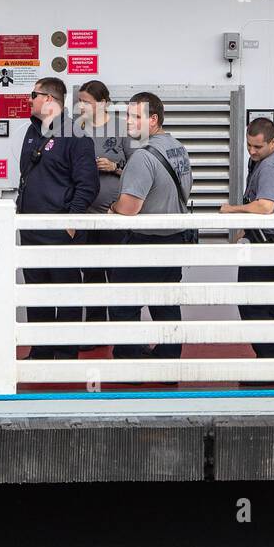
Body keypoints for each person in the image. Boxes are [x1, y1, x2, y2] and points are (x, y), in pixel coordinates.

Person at [108, 91, 194, 361]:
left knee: (124, 304)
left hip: (145, 241)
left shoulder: (142, 157)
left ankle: (128, 364)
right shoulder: (179, 148)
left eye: (135, 117)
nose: (128, 122)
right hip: (175, 239)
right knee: (166, 303)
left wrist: (112, 207)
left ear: (153, 119)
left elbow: (129, 208)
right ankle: (168, 361)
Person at [17, 77, 98, 360]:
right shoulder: (32, 131)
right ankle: (40, 349)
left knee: (65, 294)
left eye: (34, 95)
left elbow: (88, 184)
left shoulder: (76, 136)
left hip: (61, 231)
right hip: (30, 229)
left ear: (49, 99)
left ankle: (65, 352)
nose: (30, 100)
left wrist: (72, 222)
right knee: (36, 294)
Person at [219, 118, 274, 360]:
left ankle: (268, 363)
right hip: (271, 242)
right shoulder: (270, 159)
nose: (252, 151)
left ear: (273, 142)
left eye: (257, 147)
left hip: (266, 246)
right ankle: (271, 362)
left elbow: (265, 206)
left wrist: (232, 209)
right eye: (249, 146)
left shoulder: (269, 166)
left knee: (253, 304)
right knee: (269, 305)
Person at [73, 80, 133, 323]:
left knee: (117, 271)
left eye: (87, 102)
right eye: (80, 101)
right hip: (85, 214)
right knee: (91, 272)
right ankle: (95, 326)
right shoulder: (76, 129)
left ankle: (120, 326)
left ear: (104, 103)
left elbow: (139, 167)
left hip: (114, 214)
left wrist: (114, 166)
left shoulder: (122, 129)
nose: (81, 106)